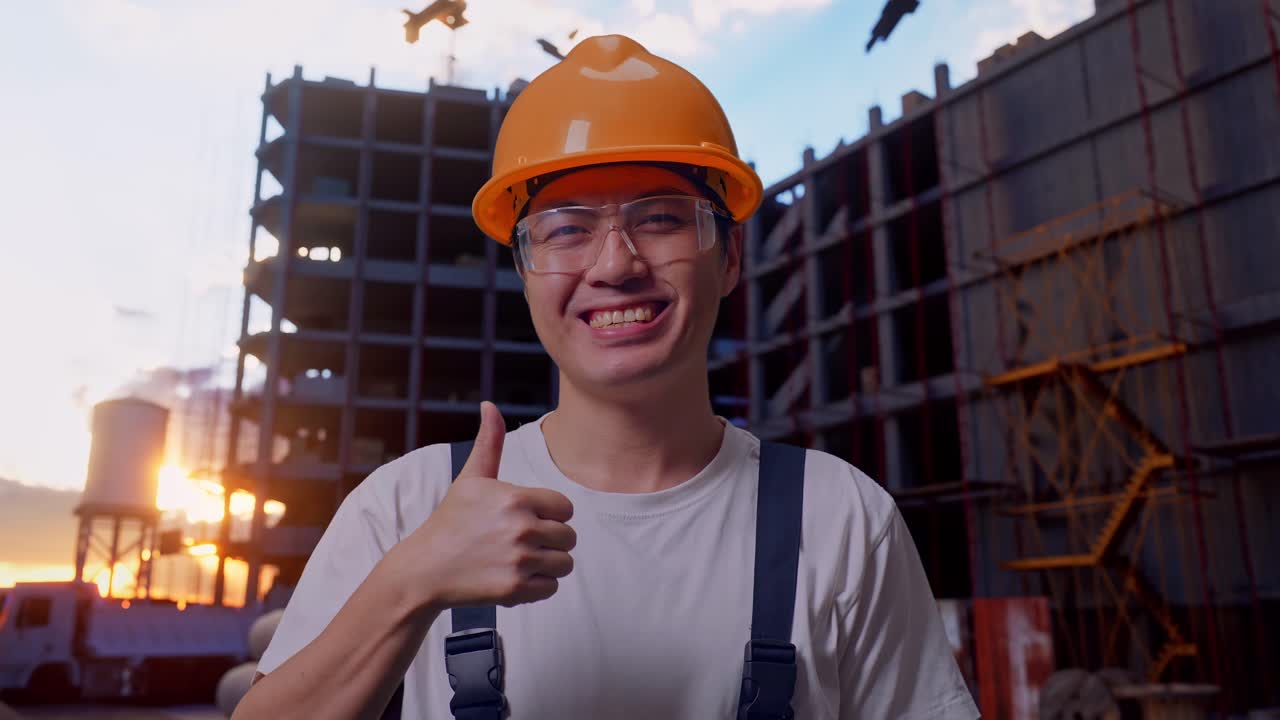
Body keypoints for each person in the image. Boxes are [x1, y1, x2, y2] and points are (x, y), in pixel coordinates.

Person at [235, 34, 978, 720]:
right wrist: (410, 583)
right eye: (567, 229)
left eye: (660, 218)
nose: (617, 264)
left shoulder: (841, 518)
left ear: (728, 257)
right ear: (525, 272)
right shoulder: (411, 506)